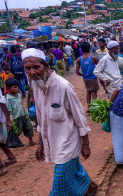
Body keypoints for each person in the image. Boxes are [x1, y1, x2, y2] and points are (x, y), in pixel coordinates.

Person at [21, 48, 98, 195]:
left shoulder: (63, 86)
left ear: (47, 66)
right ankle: (90, 186)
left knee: (59, 184)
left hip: (68, 142)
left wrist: (86, 145)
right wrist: (40, 144)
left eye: (36, 67)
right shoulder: (35, 85)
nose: (32, 72)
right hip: (52, 140)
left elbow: (80, 117)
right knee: (74, 170)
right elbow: (40, 118)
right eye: (28, 68)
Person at [5, 78, 37, 146]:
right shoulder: (8, 98)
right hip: (17, 117)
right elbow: (8, 110)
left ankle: (31, 141)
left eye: (17, 87)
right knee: (18, 131)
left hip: (24, 115)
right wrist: (8, 120)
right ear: (9, 89)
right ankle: (12, 141)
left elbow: (21, 105)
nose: (17, 88)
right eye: (15, 87)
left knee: (29, 127)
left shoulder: (19, 95)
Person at [75, 42, 100, 112]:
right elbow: (99, 68)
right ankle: (95, 107)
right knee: (94, 92)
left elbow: (77, 72)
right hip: (93, 77)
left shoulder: (79, 59)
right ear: (89, 49)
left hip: (85, 78)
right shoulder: (93, 58)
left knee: (88, 91)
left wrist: (83, 75)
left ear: (81, 50)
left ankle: (88, 107)